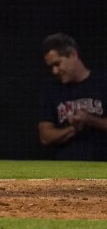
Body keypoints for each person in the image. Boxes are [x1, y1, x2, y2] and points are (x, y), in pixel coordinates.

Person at [39, 33, 107, 161]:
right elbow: (45, 136)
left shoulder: (102, 82)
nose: (54, 71)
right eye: (51, 67)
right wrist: (73, 128)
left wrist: (89, 119)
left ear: (73, 54)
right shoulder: (52, 91)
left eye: (57, 64)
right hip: (65, 171)